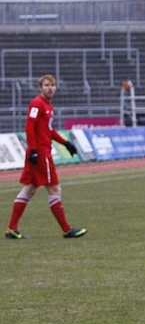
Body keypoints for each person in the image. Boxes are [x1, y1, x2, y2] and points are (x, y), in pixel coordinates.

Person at [6, 74, 86, 240]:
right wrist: (34, 150)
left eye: (52, 85)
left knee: (30, 188)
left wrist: (65, 143)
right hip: (41, 153)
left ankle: (12, 228)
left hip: (41, 151)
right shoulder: (37, 104)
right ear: (40, 88)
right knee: (54, 189)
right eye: (47, 85)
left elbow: (48, 130)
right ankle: (66, 229)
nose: (50, 88)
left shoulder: (48, 106)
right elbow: (29, 126)